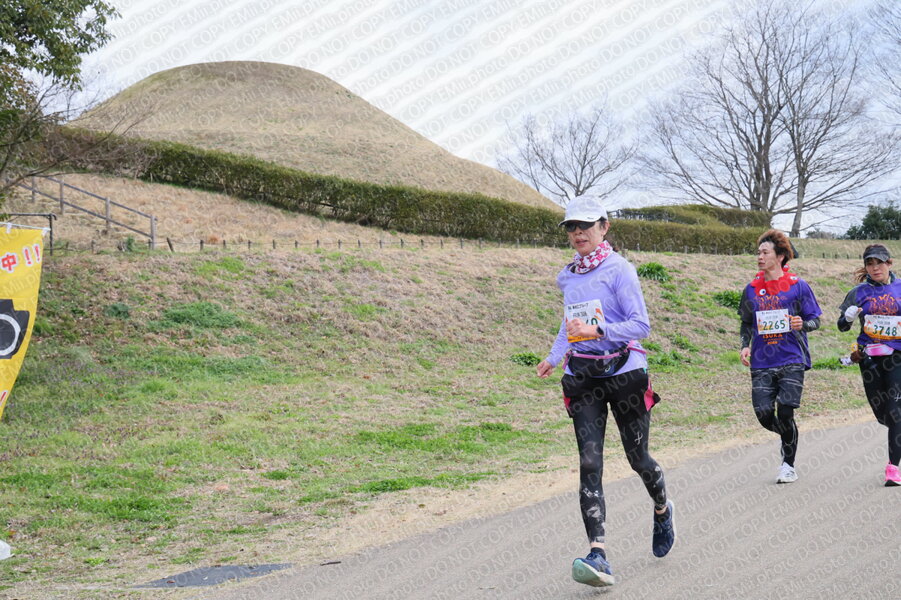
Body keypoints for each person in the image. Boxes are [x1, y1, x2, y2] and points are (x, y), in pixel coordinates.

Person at [536, 194, 674, 588]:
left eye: (585, 225)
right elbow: (570, 323)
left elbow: (640, 325)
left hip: (625, 373)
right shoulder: (568, 276)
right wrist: (554, 355)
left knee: (638, 458)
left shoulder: (620, 270)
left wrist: (599, 330)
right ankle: (598, 553)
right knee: (590, 462)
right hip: (584, 377)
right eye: (571, 227)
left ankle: (662, 508)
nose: (577, 232)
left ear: (604, 227)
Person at [739, 229, 822, 484]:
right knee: (764, 414)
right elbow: (746, 322)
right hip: (762, 361)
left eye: (765, 252)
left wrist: (802, 324)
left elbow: (815, 320)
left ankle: (788, 465)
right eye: (758, 253)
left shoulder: (798, 286)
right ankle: (789, 435)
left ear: (780, 256)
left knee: (785, 412)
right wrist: (744, 346)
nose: (760, 257)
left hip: (791, 358)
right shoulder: (751, 290)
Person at [837, 244, 901, 486]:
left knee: (895, 411)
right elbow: (842, 326)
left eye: (879, 263)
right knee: (883, 414)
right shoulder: (858, 292)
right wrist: (848, 318)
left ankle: (893, 468)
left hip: (897, 357)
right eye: (870, 264)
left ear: (889, 263)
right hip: (869, 359)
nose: (875, 268)